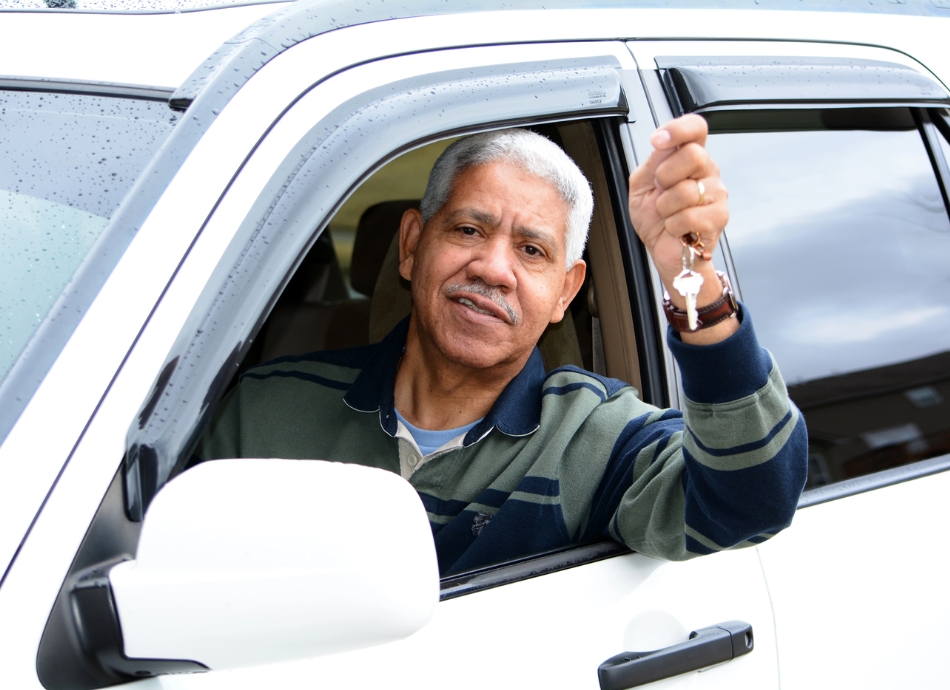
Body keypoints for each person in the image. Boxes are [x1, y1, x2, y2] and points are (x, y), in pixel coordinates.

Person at [195, 115, 808, 575]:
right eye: (468, 229)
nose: (492, 268)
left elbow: (749, 500)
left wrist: (694, 279)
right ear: (411, 246)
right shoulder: (264, 407)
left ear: (566, 292)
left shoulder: (591, 437)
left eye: (532, 250)